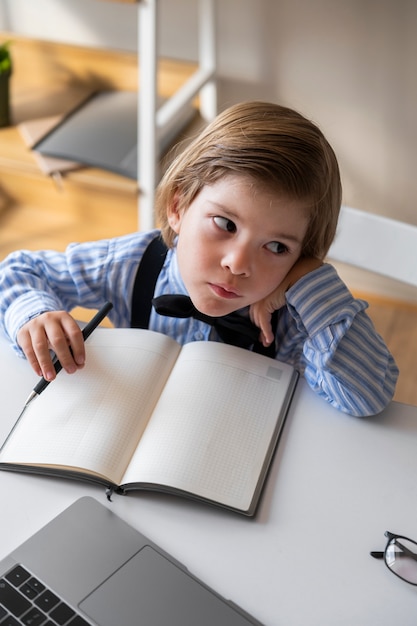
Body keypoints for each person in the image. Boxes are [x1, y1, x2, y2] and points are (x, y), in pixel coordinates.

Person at [0, 101, 398, 417]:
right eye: (225, 224)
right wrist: (36, 316)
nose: (238, 264)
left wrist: (312, 280)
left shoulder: (296, 315)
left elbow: (368, 397)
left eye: (277, 247)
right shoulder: (131, 263)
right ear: (179, 205)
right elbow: (20, 272)